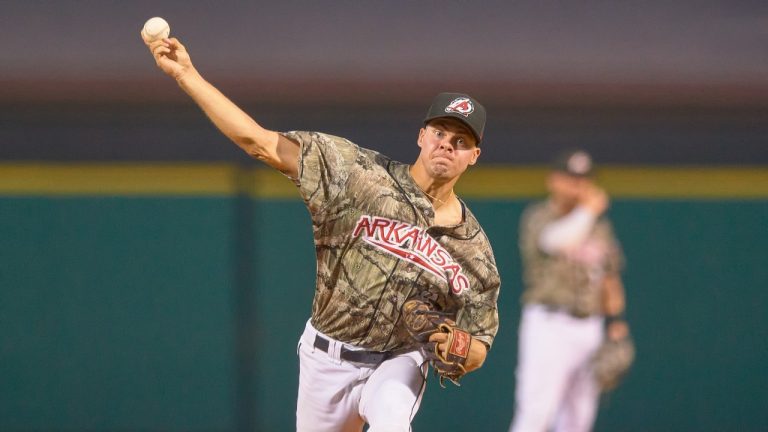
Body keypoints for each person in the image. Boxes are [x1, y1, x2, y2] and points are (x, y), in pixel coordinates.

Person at [142, 34, 500, 432]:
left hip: (399, 361)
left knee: (392, 424)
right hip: (326, 360)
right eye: (439, 132)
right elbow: (259, 143)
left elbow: (479, 339)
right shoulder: (358, 176)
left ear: (474, 156)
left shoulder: (474, 249)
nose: (446, 145)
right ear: (421, 136)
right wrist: (186, 74)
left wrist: (463, 351)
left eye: (460, 141)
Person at [509, 149, 629, 432]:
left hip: (590, 326)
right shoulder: (539, 216)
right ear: (554, 181)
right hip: (549, 325)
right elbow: (557, 241)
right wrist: (589, 210)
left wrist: (616, 323)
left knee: (579, 419)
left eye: (584, 179)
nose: (579, 186)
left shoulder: (599, 226)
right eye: (571, 178)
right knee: (536, 414)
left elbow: (610, 277)